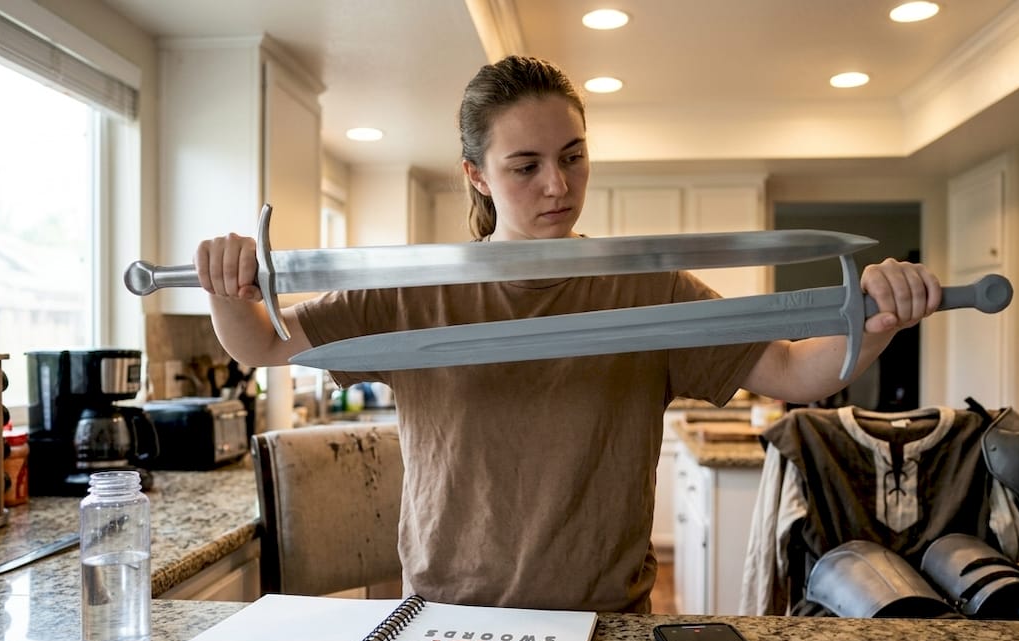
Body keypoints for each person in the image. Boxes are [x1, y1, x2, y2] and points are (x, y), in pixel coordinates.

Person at [194, 56, 942, 613]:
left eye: (573, 157)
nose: (557, 185)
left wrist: (875, 318)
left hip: (606, 618)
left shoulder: (648, 287)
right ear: (477, 175)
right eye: (525, 166)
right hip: (448, 615)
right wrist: (228, 286)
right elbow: (263, 345)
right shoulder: (411, 289)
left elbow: (794, 371)